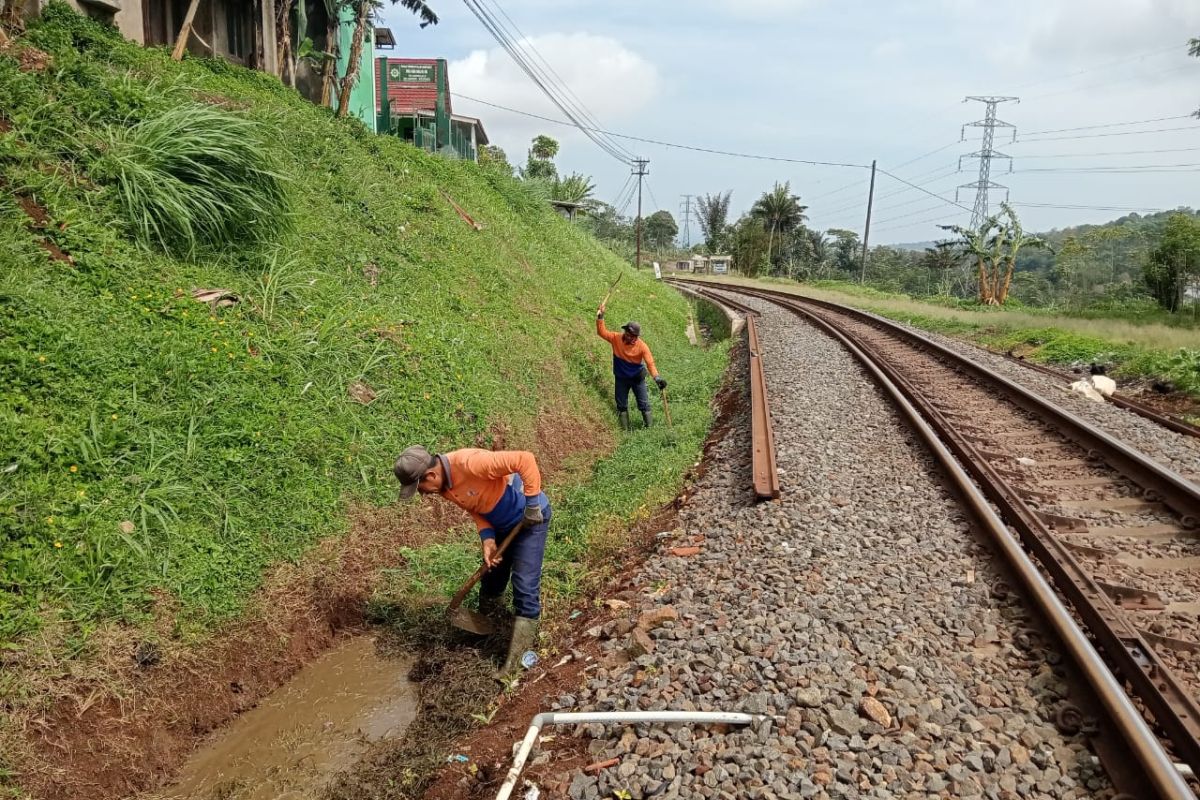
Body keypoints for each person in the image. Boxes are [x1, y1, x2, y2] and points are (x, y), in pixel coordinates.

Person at [393, 445, 550, 679]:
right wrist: (487, 539)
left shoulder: (471, 463)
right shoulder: (445, 486)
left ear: (431, 475)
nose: (423, 494)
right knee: (492, 580)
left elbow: (525, 459)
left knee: (524, 585)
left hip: (530, 521)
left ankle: (515, 665)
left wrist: (533, 505)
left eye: (421, 488)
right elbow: (475, 509)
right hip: (500, 526)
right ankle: (494, 627)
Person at [596, 301, 667, 430]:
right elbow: (602, 332)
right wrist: (600, 317)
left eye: (633, 336)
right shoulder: (616, 338)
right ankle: (625, 430)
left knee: (644, 404)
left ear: (636, 337)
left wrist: (657, 378)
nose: (630, 337)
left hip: (637, 378)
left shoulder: (642, 346)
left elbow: (650, 363)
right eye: (628, 334)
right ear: (625, 332)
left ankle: (649, 429)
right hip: (621, 378)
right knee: (621, 405)